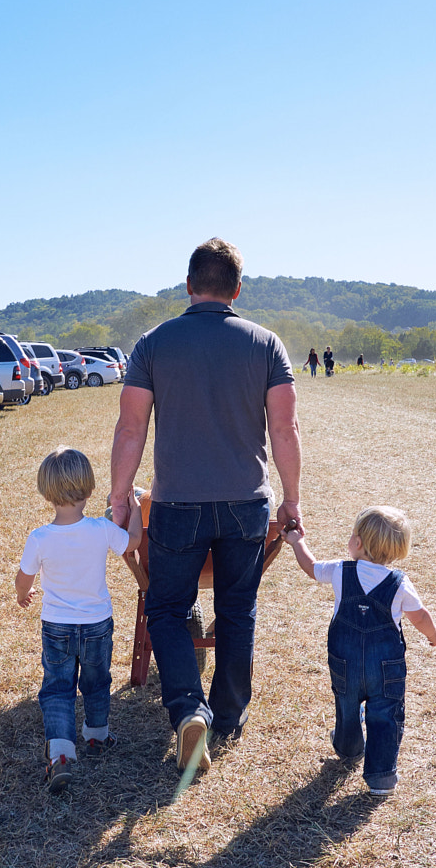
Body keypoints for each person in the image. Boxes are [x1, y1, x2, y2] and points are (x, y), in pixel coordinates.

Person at [110, 238, 301, 776]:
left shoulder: (153, 343)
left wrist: (119, 498)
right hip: (246, 504)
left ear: (189, 286)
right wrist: (292, 500)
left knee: (168, 610)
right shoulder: (266, 344)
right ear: (236, 290)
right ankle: (228, 717)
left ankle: (188, 710)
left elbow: (131, 429)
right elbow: (284, 428)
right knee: (237, 610)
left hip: (176, 505)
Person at [279, 506, 436, 795]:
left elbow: (311, 567)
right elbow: (420, 616)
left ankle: (349, 746)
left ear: (359, 543)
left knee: (346, 703)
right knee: (385, 713)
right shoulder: (400, 583)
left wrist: (296, 541)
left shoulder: (341, 571)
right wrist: (433, 634)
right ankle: (380, 778)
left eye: (353, 534)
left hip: (345, 660)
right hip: (385, 667)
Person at [15, 447, 130, 791]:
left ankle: (61, 755)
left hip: (56, 626)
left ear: (46, 490)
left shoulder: (39, 538)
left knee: (57, 688)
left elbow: (24, 579)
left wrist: (23, 595)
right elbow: (134, 542)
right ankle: (96, 735)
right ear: (90, 488)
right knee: (97, 680)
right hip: (97, 624)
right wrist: (134, 510)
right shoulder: (101, 529)